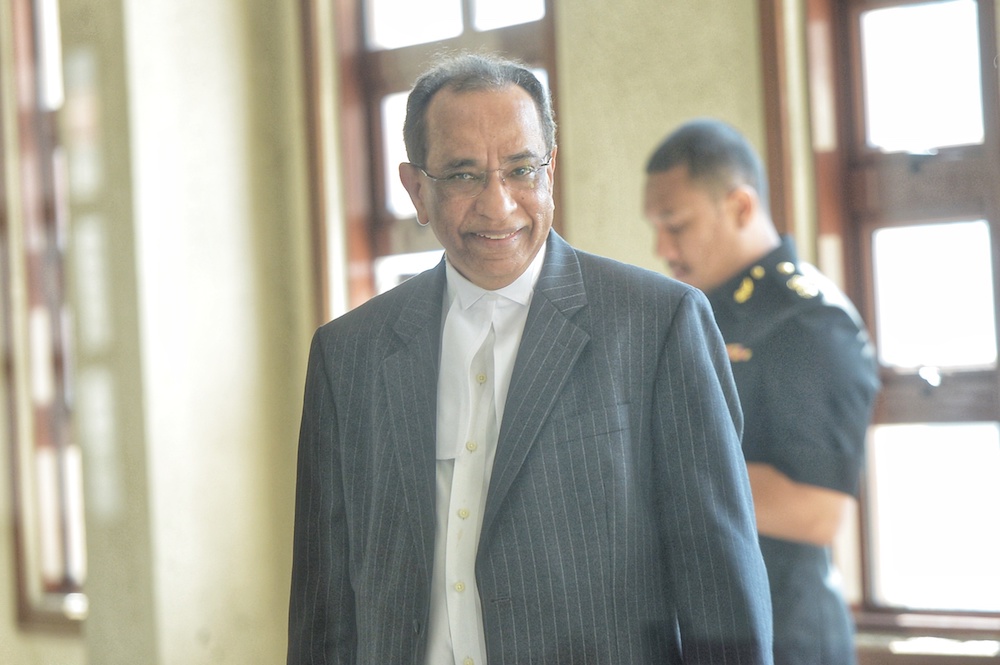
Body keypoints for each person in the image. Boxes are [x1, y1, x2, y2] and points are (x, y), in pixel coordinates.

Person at [287, 54, 773, 664]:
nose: (499, 206)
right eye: (463, 175)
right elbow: (323, 611)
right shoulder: (348, 355)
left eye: (520, 170)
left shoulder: (658, 325)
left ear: (551, 172)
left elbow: (721, 592)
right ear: (416, 190)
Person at [643, 118, 880, 665]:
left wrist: (656, 472)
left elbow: (817, 510)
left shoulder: (810, 321)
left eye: (676, 225)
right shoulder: (694, 311)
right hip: (703, 628)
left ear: (741, 207)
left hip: (787, 635)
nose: (661, 247)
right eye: (656, 227)